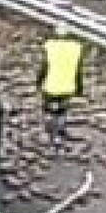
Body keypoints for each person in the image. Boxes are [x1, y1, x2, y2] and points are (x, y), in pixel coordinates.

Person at [37, 23, 86, 156]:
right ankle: (58, 135)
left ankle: (49, 134)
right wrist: (79, 87)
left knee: (48, 111)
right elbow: (78, 71)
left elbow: (44, 67)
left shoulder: (50, 46)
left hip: (50, 86)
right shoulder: (76, 48)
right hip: (67, 87)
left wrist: (39, 82)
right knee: (62, 112)